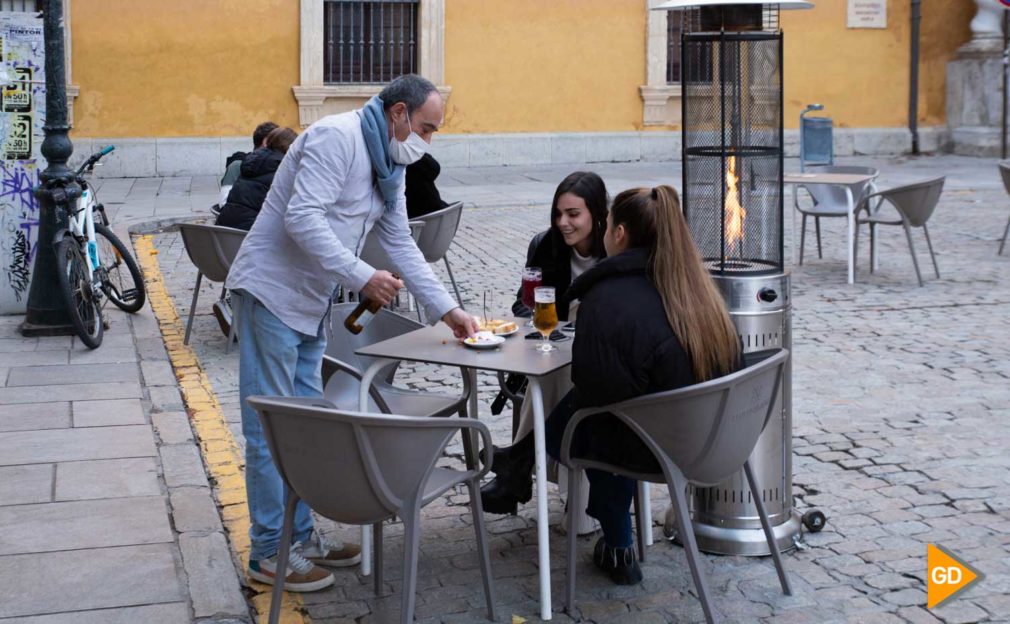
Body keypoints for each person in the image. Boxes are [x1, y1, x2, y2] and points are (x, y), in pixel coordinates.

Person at [225, 74, 478, 593]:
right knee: (270, 430)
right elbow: (303, 219)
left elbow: (401, 241)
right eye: (426, 128)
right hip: (273, 294)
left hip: (312, 303)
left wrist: (448, 309)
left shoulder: (391, 164)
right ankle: (269, 551)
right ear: (399, 114)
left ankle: (301, 536)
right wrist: (363, 276)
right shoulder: (336, 138)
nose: (428, 141)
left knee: (304, 429)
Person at [540, 185, 742, 585]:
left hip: (654, 449)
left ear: (618, 234)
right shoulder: (699, 288)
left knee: (587, 416)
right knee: (610, 407)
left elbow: (595, 387)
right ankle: (518, 464)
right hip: (717, 441)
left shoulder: (607, 298)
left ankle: (616, 542)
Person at [480, 171, 608, 519]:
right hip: (558, 348)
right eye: (558, 213)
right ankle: (520, 468)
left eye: (573, 214)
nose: (563, 223)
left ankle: (517, 466)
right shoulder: (545, 245)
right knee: (549, 374)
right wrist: (546, 315)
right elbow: (522, 305)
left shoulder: (614, 249)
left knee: (556, 377)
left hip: (600, 357)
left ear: (597, 213)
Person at [216, 127, 298, 231]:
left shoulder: (250, 163)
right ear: (291, 148)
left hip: (225, 233)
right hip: (251, 234)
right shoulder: (281, 170)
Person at [218, 120, 278, 207]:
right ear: (265, 143)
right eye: (277, 142)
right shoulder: (236, 166)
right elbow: (224, 203)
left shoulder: (278, 167)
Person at [405, 152, 449, 219]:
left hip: (422, 217)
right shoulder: (412, 162)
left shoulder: (413, 161)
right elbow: (434, 168)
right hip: (427, 217)